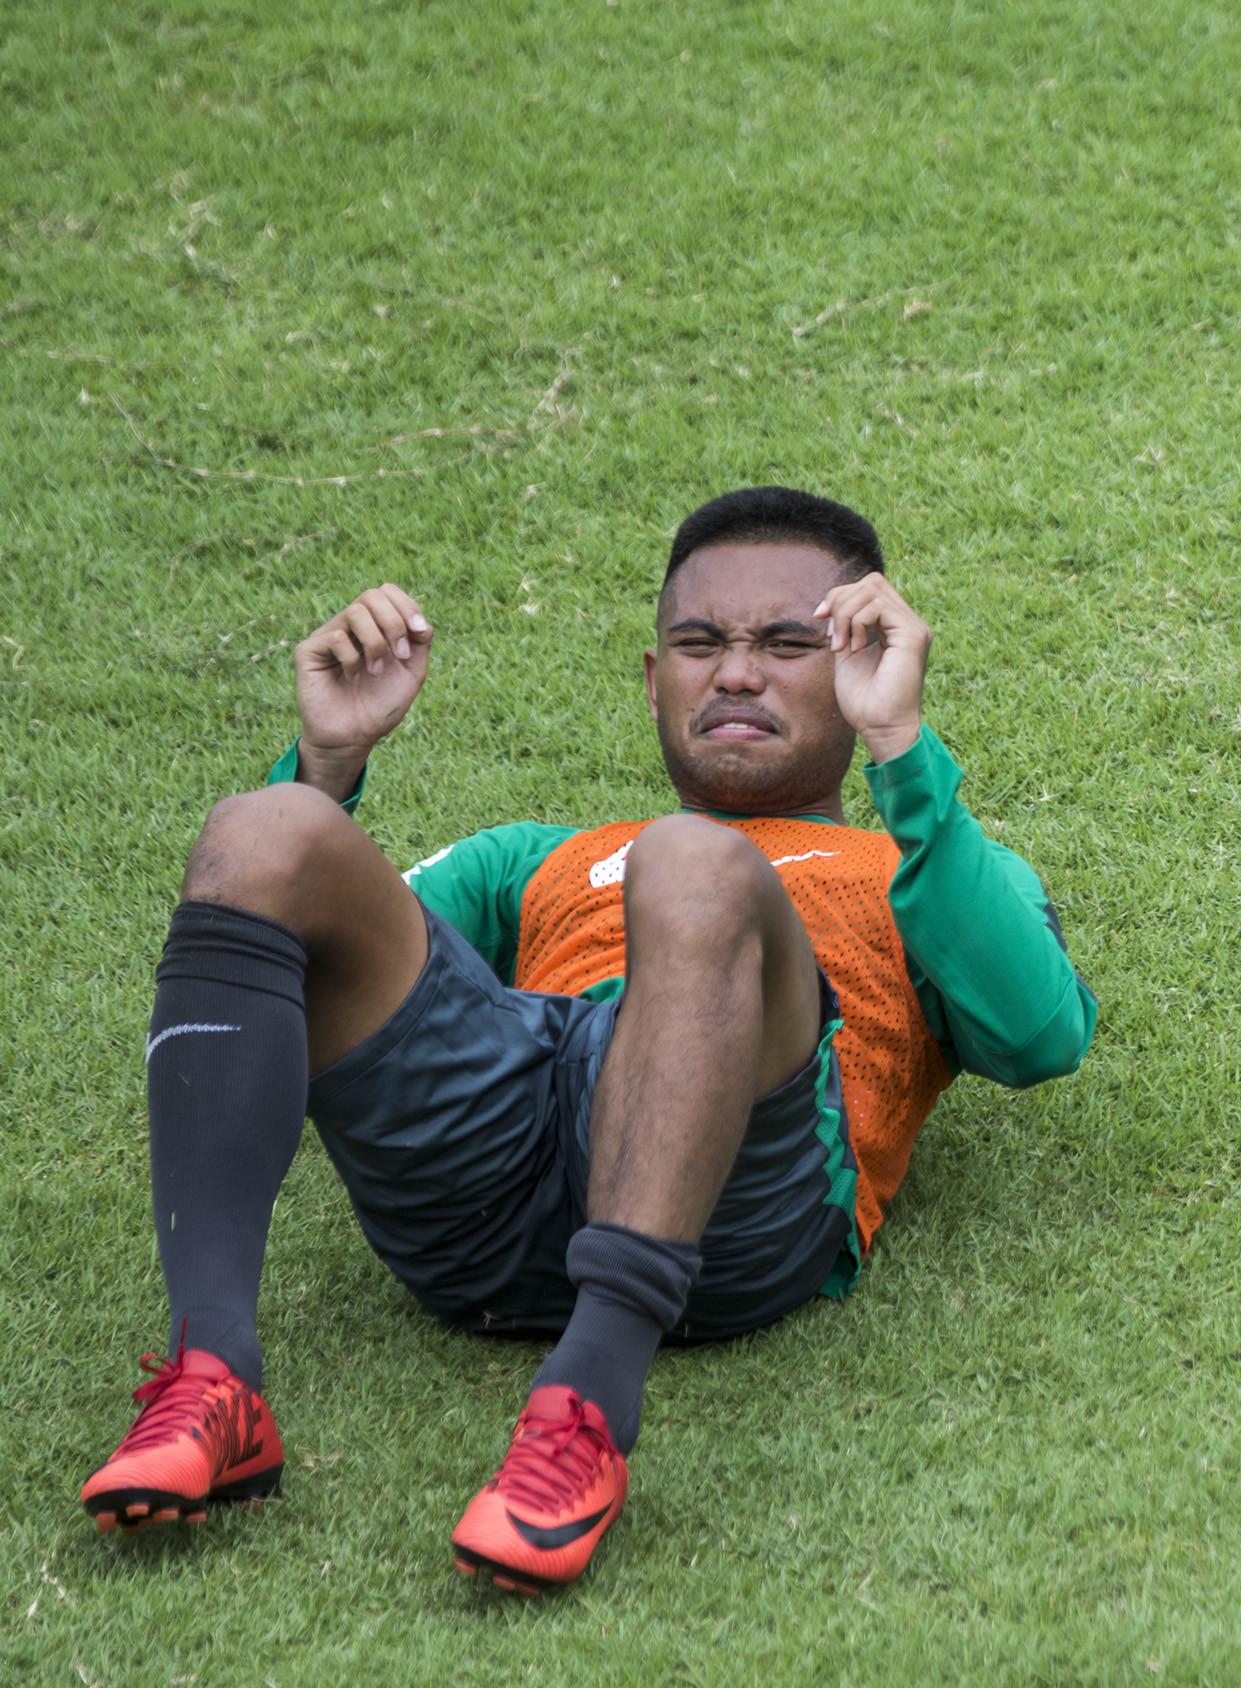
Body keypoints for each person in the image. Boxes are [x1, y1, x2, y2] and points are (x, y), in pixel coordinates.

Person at [82, 486, 1096, 1593]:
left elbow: (1037, 1030)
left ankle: (588, 1405)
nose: (738, 673)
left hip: (739, 1205)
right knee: (261, 830)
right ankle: (212, 1372)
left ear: (859, 666)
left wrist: (904, 748)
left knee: (695, 863)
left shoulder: (926, 854)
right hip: (497, 1151)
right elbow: (268, 957)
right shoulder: (543, 854)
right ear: (655, 678)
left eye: (791, 643)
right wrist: (324, 768)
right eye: (700, 642)